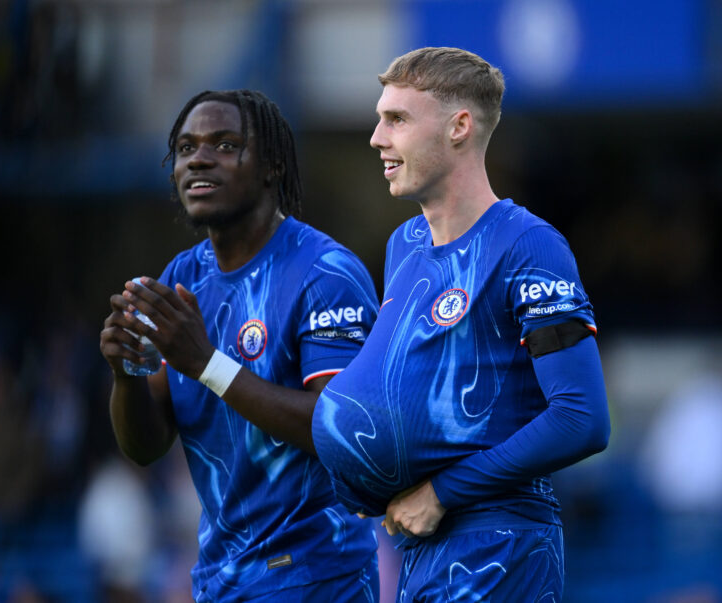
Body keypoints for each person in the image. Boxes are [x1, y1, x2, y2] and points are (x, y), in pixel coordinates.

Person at [309, 47, 611, 601]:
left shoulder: (530, 245)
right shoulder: (405, 244)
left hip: (500, 547)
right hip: (421, 546)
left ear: (459, 127)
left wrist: (443, 493)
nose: (377, 138)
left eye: (396, 119)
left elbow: (582, 417)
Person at [99, 89, 380, 602]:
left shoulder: (325, 274)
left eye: (225, 145)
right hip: (220, 581)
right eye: (186, 148)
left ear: (271, 165)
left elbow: (343, 431)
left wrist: (206, 363)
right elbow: (145, 446)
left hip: (317, 577)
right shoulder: (182, 277)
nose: (199, 158)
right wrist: (126, 374)